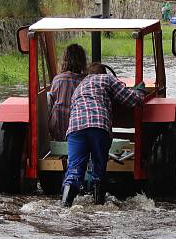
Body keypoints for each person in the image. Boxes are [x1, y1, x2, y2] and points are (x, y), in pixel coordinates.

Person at [61, 63, 146, 206]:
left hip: (75, 128)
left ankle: (64, 205)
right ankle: (98, 206)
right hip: (98, 126)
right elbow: (130, 99)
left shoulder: (79, 86)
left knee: (74, 170)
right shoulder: (107, 79)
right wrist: (140, 92)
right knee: (99, 169)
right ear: (103, 72)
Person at [48, 44, 88, 141]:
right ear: (83, 61)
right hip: (80, 132)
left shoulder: (58, 80)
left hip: (58, 132)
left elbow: (50, 104)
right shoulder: (87, 81)